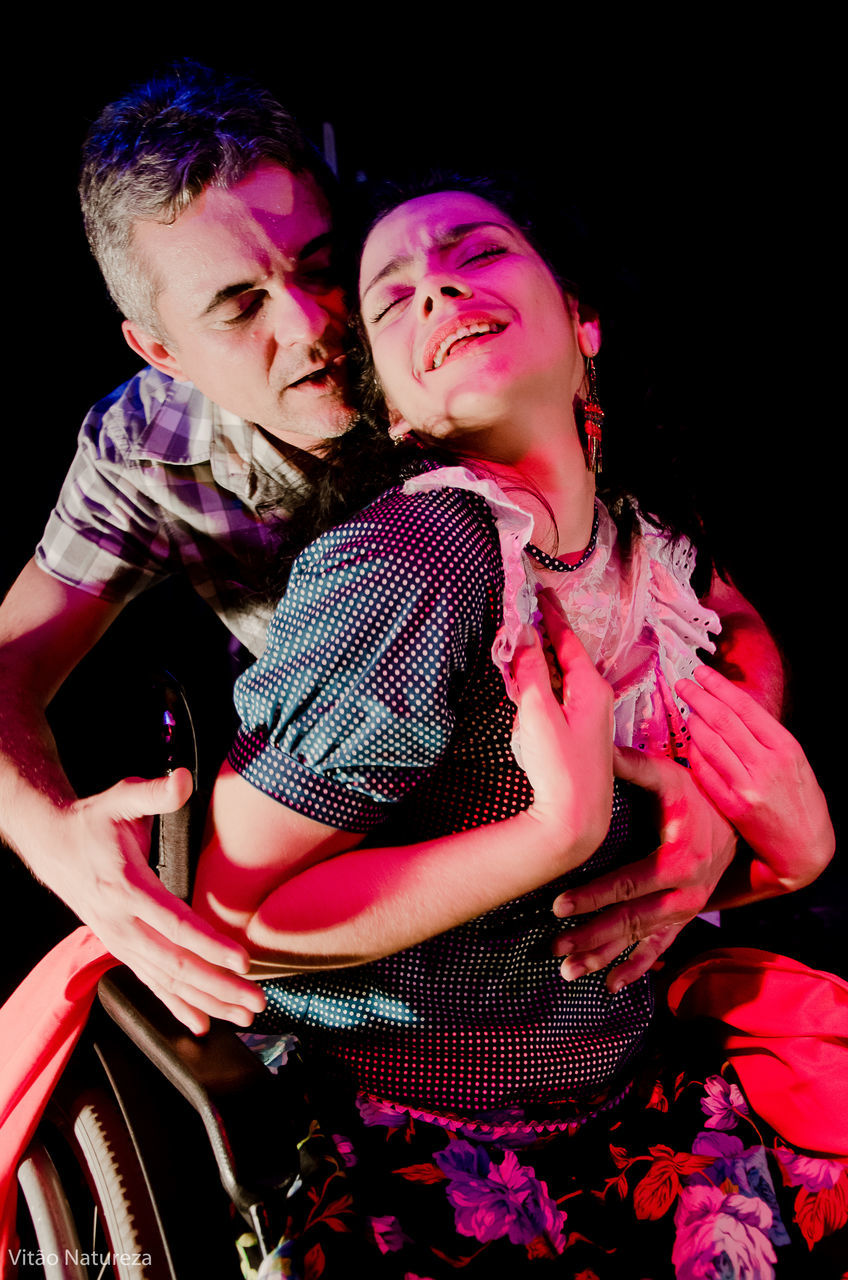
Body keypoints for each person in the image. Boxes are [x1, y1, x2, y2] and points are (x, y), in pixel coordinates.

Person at [0, 60, 806, 1035]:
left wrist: (723, 795)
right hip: (388, 953)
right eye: (238, 306)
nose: (313, 326)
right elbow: (12, 661)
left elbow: (713, 608)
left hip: (593, 941)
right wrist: (48, 835)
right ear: (163, 351)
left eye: (318, 264)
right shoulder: (147, 448)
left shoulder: (468, 341)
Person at [192, 183, 839, 1276]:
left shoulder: (637, 541)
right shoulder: (416, 564)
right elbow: (238, 917)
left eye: (473, 251)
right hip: (425, 1143)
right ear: (391, 407)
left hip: (631, 1103)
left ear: (580, 323)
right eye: (391, 299)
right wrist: (550, 831)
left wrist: (795, 856)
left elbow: (625, 905)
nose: (434, 287)